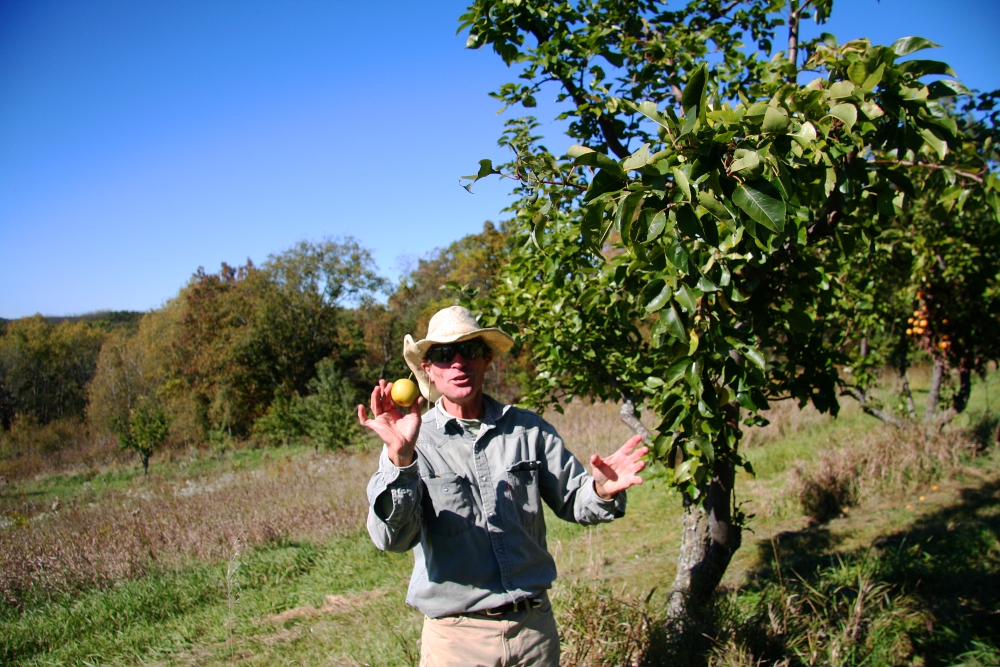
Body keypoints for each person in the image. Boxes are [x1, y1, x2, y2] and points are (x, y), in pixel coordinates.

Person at [358, 306, 648, 667]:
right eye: (444, 355)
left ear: (487, 359)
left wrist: (602, 490)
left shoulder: (528, 430)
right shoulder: (413, 442)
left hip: (534, 632)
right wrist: (401, 458)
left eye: (470, 350)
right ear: (428, 369)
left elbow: (575, 499)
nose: (458, 363)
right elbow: (392, 540)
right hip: (456, 642)